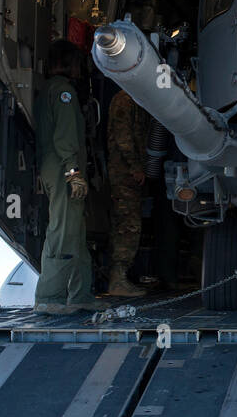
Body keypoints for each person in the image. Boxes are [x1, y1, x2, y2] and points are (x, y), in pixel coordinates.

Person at [34, 40, 95, 315]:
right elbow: (65, 135)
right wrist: (73, 172)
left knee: (75, 233)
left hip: (53, 167)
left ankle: (81, 295)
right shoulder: (64, 92)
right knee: (62, 231)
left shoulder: (48, 89)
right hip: (62, 169)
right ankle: (50, 297)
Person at [106, 89, 151, 297]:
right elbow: (123, 136)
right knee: (128, 225)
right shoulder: (125, 99)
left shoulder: (134, 98)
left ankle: (121, 277)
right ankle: (118, 279)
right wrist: (135, 166)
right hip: (124, 174)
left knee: (128, 222)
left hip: (126, 174)